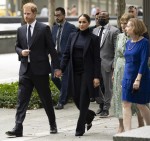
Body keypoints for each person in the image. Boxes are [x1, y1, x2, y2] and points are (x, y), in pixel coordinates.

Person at [5, 2, 61, 137]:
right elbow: (17, 46)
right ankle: (18, 128)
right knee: (21, 100)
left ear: (35, 14)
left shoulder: (44, 29)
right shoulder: (21, 30)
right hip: (25, 70)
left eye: (28, 13)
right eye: (24, 13)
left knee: (46, 99)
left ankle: (53, 124)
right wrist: (21, 52)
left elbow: (52, 49)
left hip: (40, 71)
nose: (26, 16)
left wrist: (57, 67)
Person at [60, 14, 101, 136]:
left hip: (87, 74)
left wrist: (96, 76)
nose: (81, 24)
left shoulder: (94, 38)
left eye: (84, 22)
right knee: (76, 98)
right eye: (80, 22)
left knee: (83, 98)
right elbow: (66, 54)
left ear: (88, 23)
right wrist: (60, 69)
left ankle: (80, 128)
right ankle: (89, 115)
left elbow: (97, 59)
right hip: (74, 72)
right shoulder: (72, 36)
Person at [122, 18, 150, 131]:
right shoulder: (127, 42)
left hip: (141, 77)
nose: (125, 28)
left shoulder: (144, 42)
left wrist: (138, 79)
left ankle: (148, 129)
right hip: (127, 77)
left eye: (128, 26)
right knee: (126, 104)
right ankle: (127, 133)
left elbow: (144, 62)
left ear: (135, 28)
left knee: (141, 104)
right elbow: (127, 61)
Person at [93, 11, 120, 117]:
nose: (100, 18)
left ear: (108, 18)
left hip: (107, 63)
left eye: (103, 17)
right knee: (95, 85)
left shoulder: (114, 31)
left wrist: (114, 63)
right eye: (99, 17)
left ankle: (106, 108)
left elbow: (116, 49)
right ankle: (101, 103)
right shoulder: (95, 30)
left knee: (108, 87)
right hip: (95, 63)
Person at [113, 13, 134, 133]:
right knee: (118, 96)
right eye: (121, 23)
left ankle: (140, 123)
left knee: (135, 99)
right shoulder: (119, 36)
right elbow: (116, 54)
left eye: (125, 23)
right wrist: (114, 70)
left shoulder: (136, 38)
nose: (123, 25)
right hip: (119, 68)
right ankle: (121, 124)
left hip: (130, 67)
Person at [51, 7, 76, 110]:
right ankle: (67, 94)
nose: (57, 17)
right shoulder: (54, 28)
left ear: (64, 15)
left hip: (66, 57)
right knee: (53, 77)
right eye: (55, 15)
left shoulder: (71, 27)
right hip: (55, 57)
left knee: (65, 79)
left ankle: (61, 102)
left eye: (58, 15)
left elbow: (76, 40)